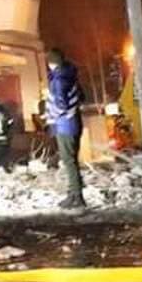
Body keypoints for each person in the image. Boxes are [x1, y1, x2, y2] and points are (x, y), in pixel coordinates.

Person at [45, 47, 86, 208]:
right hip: (74, 122)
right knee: (72, 160)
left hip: (65, 125)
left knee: (69, 161)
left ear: (50, 63)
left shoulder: (59, 80)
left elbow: (61, 104)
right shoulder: (70, 76)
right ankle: (73, 193)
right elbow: (81, 97)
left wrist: (51, 116)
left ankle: (76, 196)